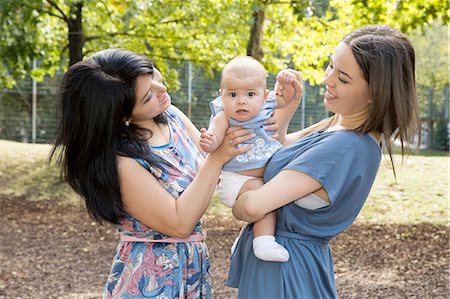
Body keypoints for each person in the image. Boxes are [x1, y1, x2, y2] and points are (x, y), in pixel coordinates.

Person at [226, 24, 420, 298]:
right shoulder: (337, 125)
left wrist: (240, 192)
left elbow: (253, 207)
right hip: (286, 265)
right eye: (331, 66)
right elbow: (276, 153)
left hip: (285, 272)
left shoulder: (345, 145)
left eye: (343, 78)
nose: (327, 79)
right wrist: (288, 105)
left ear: (374, 94)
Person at [50, 48, 255, 298]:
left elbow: (219, 173)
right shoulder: (122, 162)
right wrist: (218, 157)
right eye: (148, 96)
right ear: (123, 115)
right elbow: (179, 223)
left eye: (155, 76)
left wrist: (283, 111)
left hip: (193, 268)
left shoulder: (170, 116)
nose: (162, 90)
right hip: (152, 279)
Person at [199, 56, 312, 263]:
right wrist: (209, 141)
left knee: (273, 193)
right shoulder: (223, 116)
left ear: (265, 95)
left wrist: (286, 80)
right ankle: (263, 242)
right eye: (232, 94)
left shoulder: (267, 106)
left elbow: (286, 98)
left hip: (263, 176)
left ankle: (245, 240)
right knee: (263, 196)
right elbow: (214, 139)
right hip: (237, 180)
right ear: (221, 95)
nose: (241, 101)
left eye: (250, 94)